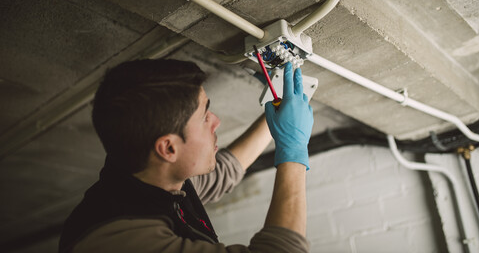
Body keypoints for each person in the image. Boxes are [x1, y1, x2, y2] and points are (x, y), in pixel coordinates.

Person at [59, 58, 313, 253]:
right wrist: (293, 148)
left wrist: (278, 122)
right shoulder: (120, 239)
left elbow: (222, 173)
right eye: (205, 117)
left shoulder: (148, 181)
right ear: (168, 148)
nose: (216, 121)